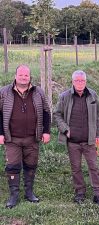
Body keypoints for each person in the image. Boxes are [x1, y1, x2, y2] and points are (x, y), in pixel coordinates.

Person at [53, 70, 99, 207]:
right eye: (77, 80)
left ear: (85, 82)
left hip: (89, 140)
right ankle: (80, 192)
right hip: (73, 142)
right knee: (76, 168)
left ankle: (98, 194)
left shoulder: (93, 95)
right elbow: (57, 114)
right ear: (72, 82)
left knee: (94, 167)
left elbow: (98, 116)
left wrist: (98, 135)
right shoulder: (65, 96)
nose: (80, 83)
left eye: (82, 80)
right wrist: (65, 129)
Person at [0, 65, 51, 208]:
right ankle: (14, 196)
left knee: (31, 165)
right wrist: (0, 133)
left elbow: (46, 111)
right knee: (12, 166)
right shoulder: (4, 92)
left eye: (26, 75)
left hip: (32, 138)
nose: (23, 77)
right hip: (12, 139)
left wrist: (46, 131)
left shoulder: (38, 92)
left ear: (30, 77)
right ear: (15, 76)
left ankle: (29, 193)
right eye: (21, 75)